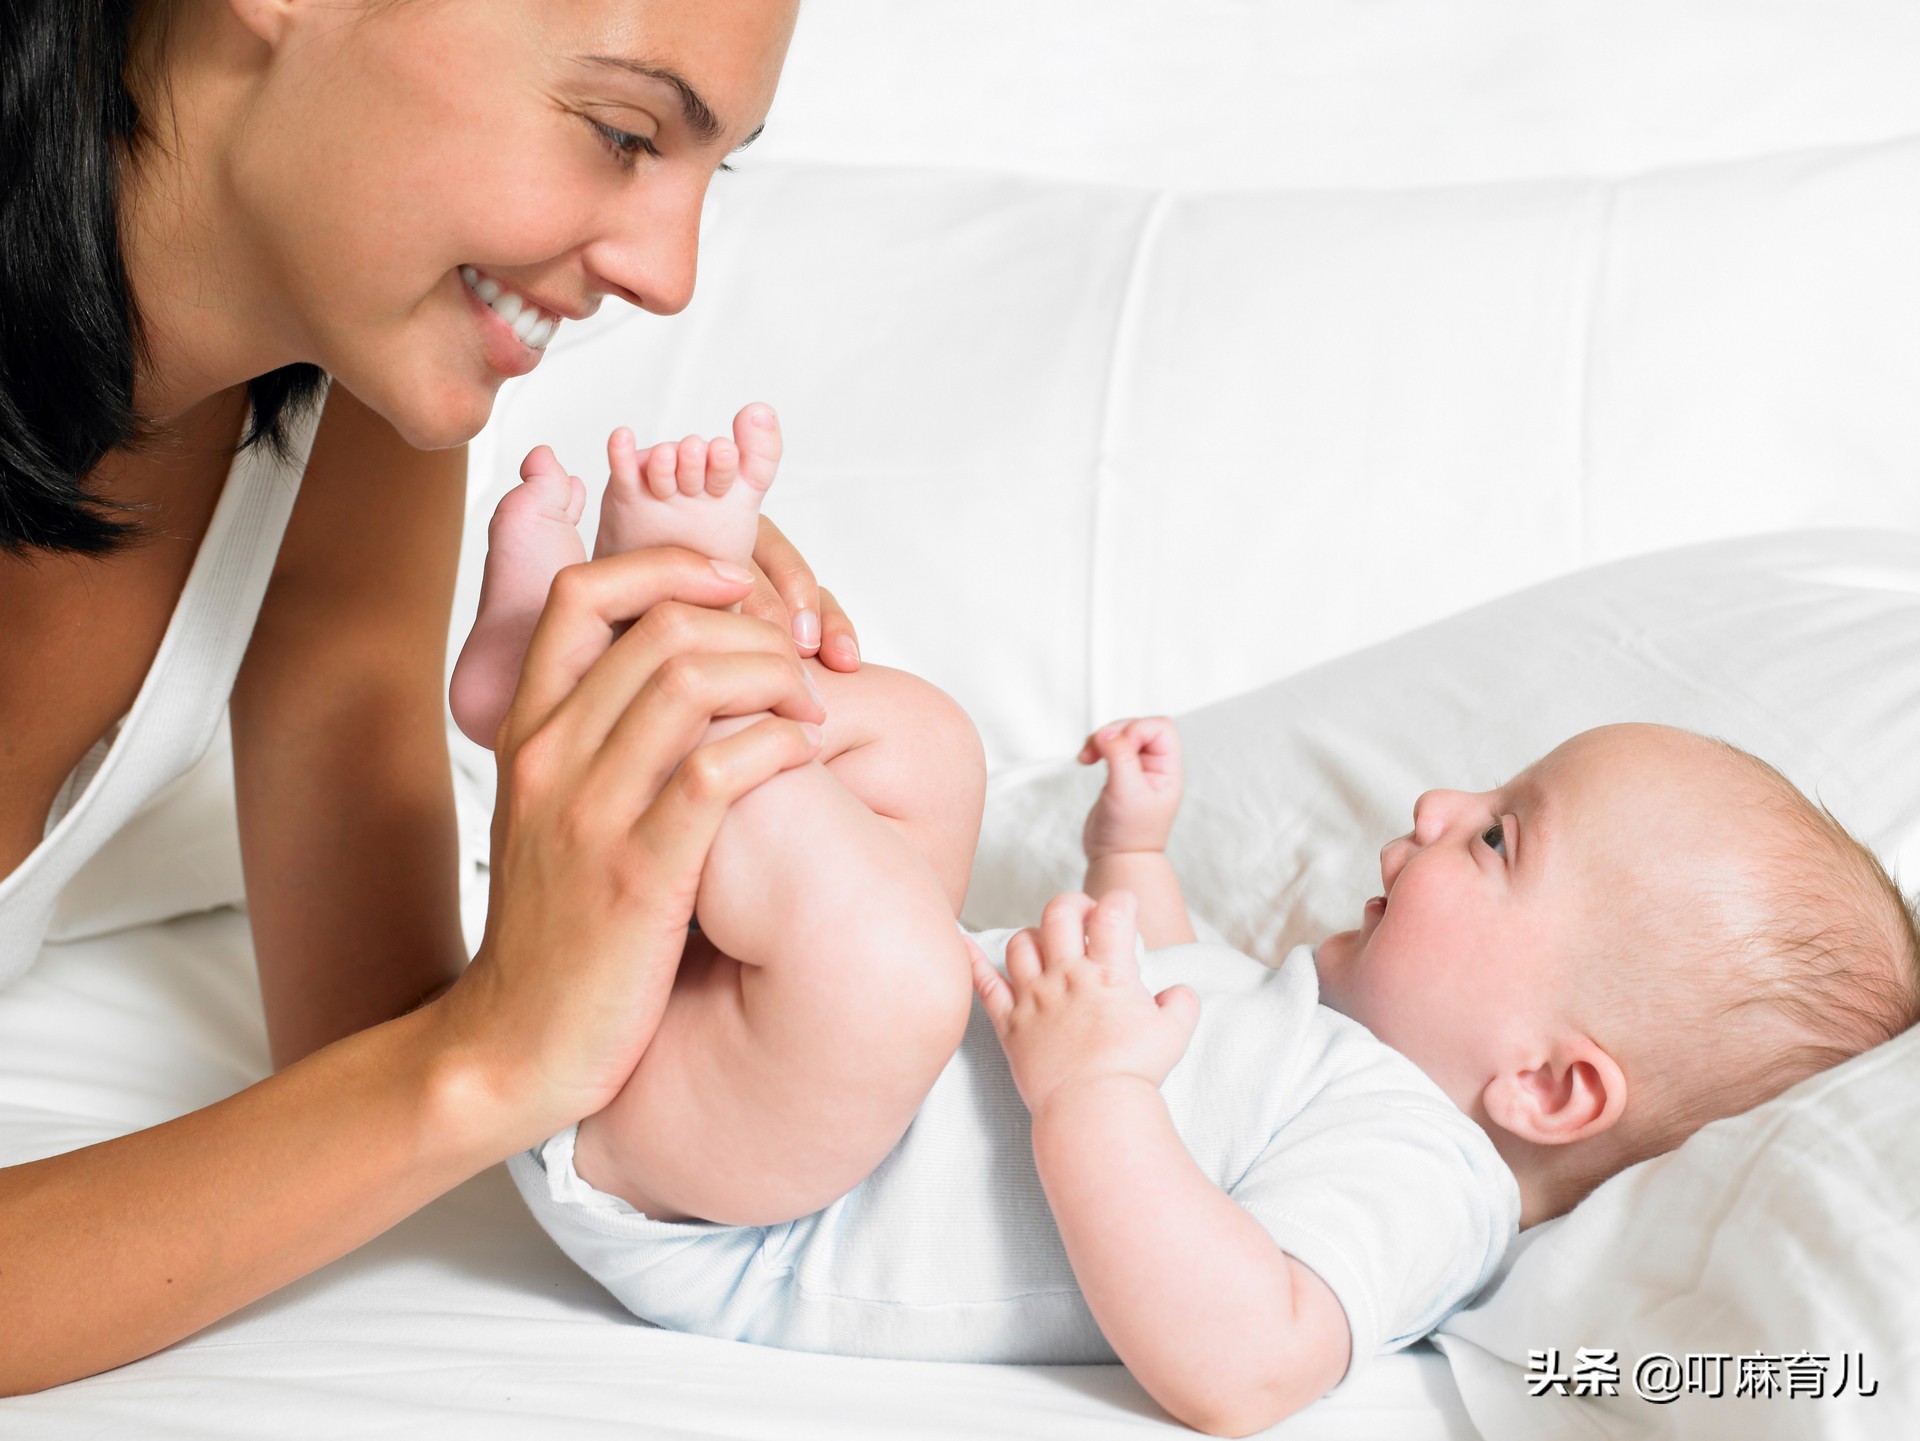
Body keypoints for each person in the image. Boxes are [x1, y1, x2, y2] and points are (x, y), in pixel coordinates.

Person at [458, 419, 1920, 1436]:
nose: (1434, 799)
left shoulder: (1426, 1182)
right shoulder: (1322, 1028)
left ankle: (632, 678)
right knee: (930, 751)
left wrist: (1092, 1090)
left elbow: (1245, 1358)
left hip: (757, 1217)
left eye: (1497, 836)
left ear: (1549, 1086)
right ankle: (564, 689)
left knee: (893, 970)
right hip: (778, 1085)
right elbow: (1165, 983)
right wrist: (1130, 854)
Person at [0, 0, 838, 1395]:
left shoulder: (341, 393)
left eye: (715, 168)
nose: (672, 274)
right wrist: (484, 1054)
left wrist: (631, 792)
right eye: (625, 131)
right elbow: (443, 1072)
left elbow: (368, 1059)